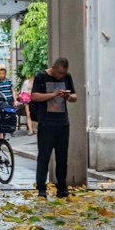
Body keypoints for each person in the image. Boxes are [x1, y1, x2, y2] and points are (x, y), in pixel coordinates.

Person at [29, 56, 77, 198]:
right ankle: (41, 188)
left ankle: (62, 187)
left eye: (63, 74)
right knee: (44, 157)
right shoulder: (41, 77)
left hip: (63, 123)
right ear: (54, 68)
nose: (61, 76)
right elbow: (34, 96)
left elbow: (75, 96)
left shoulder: (67, 77)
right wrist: (53, 94)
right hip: (46, 123)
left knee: (62, 158)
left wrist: (68, 97)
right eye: (59, 73)